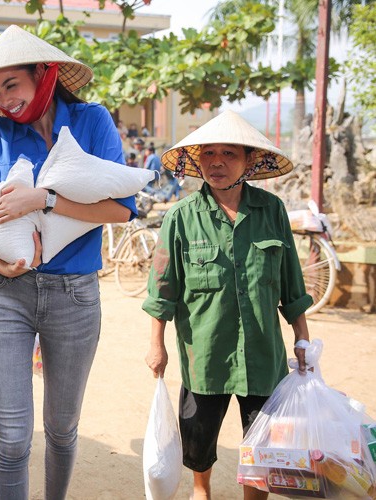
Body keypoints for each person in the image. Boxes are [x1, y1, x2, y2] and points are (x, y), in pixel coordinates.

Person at [0, 25, 137, 499]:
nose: (6, 100)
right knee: (13, 439)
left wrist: (41, 200)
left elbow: (122, 210)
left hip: (76, 296)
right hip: (5, 298)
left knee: (63, 429)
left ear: (43, 76)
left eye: (13, 85)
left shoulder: (92, 121)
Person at [142, 110, 313, 500]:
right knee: (199, 439)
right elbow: (162, 287)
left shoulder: (272, 212)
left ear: (249, 161)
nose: (217, 162)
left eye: (229, 154)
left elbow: (290, 279)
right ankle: (201, 492)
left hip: (262, 354)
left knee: (262, 442)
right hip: (204, 353)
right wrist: (157, 343)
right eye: (208, 153)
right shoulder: (180, 218)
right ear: (197, 160)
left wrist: (302, 335)